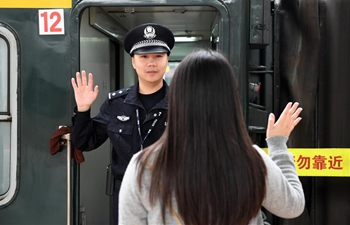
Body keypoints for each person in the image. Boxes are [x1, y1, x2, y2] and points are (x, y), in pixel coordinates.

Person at [118, 49, 305, 225]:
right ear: (230, 98)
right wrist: (278, 144)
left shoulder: (144, 165)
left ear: (176, 98)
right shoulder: (251, 159)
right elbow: (293, 206)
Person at [70, 23, 175, 225]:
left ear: (166, 60)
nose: (151, 63)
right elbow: (85, 142)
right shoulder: (116, 103)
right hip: (127, 195)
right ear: (133, 62)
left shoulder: (183, 102)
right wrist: (83, 110)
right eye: (144, 57)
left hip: (170, 194)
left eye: (158, 56)